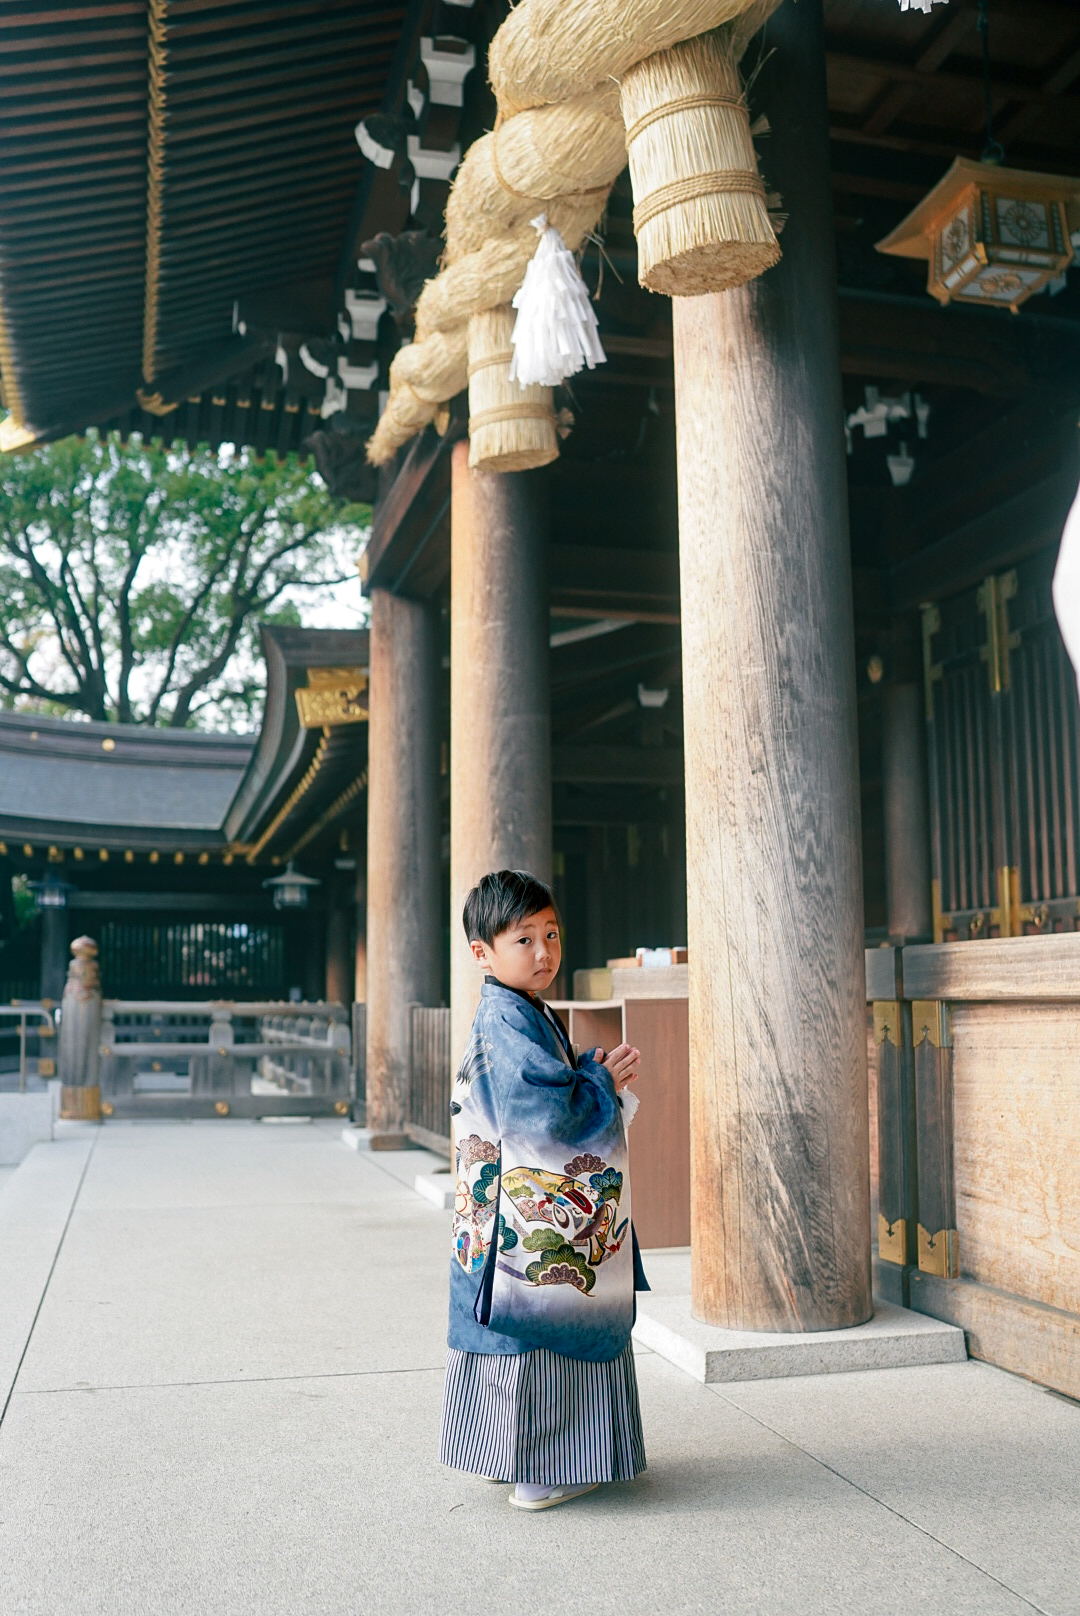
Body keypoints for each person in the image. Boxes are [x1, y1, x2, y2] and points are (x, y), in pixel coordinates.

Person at [439, 868, 648, 1511]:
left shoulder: (517, 1010)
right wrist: (600, 1089)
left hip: (500, 1209)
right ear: (483, 953)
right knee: (541, 1325)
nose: (544, 952)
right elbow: (543, 1117)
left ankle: (505, 1453)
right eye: (523, 939)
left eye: (551, 934)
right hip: (522, 1221)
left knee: (510, 1330)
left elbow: (538, 1094)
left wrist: (586, 1073)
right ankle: (541, 1470)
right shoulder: (507, 1016)